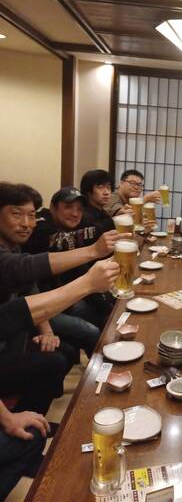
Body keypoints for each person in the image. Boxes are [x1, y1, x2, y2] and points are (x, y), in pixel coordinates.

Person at [0, 259, 119, 499]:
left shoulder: (15, 252)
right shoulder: (11, 258)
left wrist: (46, 330)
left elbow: (26, 296)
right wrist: (8, 420)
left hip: (14, 340)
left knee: (57, 358)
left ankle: (35, 421)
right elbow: (11, 312)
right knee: (31, 438)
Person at [23, 185, 118, 332]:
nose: (75, 213)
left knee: (107, 305)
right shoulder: (40, 224)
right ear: (53, 208)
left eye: (79, 209)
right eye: (68, 207)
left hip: (63, 293)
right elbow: (64, 240)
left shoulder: (74, 223)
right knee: (92, 330)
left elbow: (80, 266)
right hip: (39, 302)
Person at [79, 170, 115, 235]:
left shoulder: (103, 213)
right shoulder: (83, 215)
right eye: (100, 187)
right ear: (88, 191)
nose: (106, 192)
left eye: (108, 188)